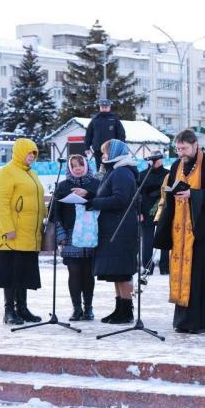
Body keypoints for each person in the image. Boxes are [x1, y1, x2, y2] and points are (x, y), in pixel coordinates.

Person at [153, 129, 205, 334]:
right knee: (182, 275)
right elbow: (168, 193)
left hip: (204, 231)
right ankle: (183, 320)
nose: (181, 153)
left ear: (195, 144)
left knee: (200, 275)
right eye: (178, 149)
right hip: (180, 231)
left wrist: (194, 195)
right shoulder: (177, 166)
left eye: (184, 148)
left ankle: (201, 321)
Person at [0, 138, 45, 325]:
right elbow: (1, 203)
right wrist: (8, 228)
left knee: (23, 272)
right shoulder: (7, 172)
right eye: (29, 153)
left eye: (34, 154)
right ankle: (9, 311)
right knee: (10, 273)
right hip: (12, 233)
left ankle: (22, 309)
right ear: (20, 152)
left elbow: (36, 202)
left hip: (29, 233)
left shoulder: (32, 174)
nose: (32, 157)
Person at [88, 139, 138, 324]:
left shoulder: (122, 172)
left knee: (123, 271)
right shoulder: (115, 171)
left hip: (121, 229)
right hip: (114, 227)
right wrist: (91, 197)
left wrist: (94, 203)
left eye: (106, 152)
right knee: (117, 271)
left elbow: (120, 199)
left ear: (116, 152)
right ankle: (119, 308)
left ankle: (126, 310)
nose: (103, 155)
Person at [52, 155, 100, 321]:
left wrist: (88, 194)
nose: (78, 168)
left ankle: (89, 308)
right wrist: (60, 235)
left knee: (88, 273)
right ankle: (76, 309)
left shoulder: (95, 184)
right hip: (71, 234)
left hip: (91, 234)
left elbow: (102, 202)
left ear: (86, 165)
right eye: (74, 165)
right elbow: (55, 213)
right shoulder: (63, 186)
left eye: (80, 165)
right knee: (74, 272)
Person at [138, 154, 168, 276]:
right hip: (146, 210)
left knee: (165, 238)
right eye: (153, 159)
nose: (155, 161)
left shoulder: (168, 173)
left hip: (164, 209)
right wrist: (139, 212)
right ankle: (147, 267)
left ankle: (165, 267)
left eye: (158, 159)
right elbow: (137, 194)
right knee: (147, 240)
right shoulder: (142, 175)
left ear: (162, 160)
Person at [84, 99, 125, 172]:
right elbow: (89, 134)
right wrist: (87, 147)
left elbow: (121, 134)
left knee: (112, 168)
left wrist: (121, 146)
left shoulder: (114, 119)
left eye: (106, 107)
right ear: (100, 108)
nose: (104, 108)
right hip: (98, 149)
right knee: (100, 169)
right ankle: (101, 182)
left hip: (112, 150)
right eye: (102, 107)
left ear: (109, 108)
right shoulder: (95, 120)